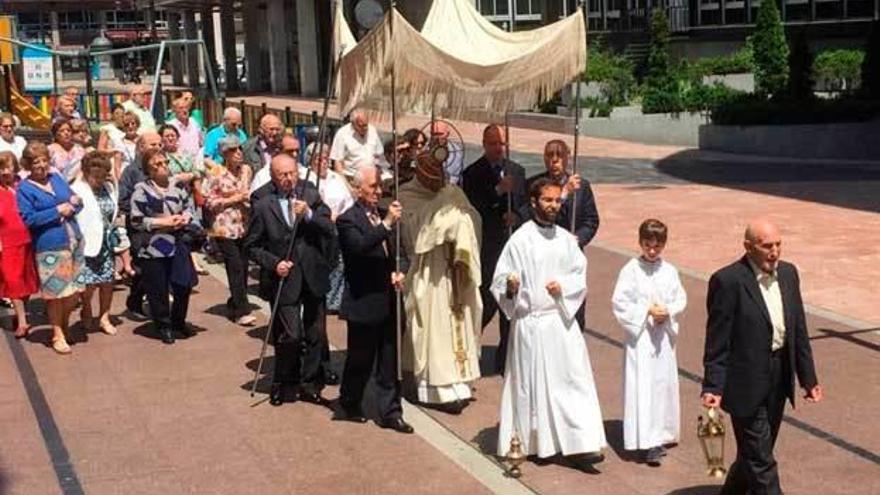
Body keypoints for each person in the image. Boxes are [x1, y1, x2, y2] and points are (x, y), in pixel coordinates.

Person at [490, 177, 606, 470]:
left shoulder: (567, 240)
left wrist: (563, 288)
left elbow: (579, 274)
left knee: (572, 382)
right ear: (534, 202)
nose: (554, 205)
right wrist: (512, 287)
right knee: (532, 386)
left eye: (557, 200)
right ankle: (537, 442)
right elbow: (500, 280)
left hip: (560, 321)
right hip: (531, 323)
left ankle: (580, 444)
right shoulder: (520, 239)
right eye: (547, 200)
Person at [702, 218, 822, 495]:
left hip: (779, 376)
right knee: (762, 461)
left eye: (778, 244)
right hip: (744, 382)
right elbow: (717, 341)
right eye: (766, 245)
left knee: (753, 454)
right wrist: (713, 385)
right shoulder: (728, 281)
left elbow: (798, 330)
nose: (774, 251)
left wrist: (808, 378)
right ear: (748, 246)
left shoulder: (789, 274)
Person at [244, 153, 335, 406]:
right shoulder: (263, 204)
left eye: (292, 173)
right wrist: (275, 264)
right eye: (282, 175)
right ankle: (283, 381)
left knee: (316, 332)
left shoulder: (311, 194)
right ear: (273, 177)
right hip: (284, 277)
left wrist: (309, 215)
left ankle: (310, 383)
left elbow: (329, 228)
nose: (288, 179)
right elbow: (251, 246)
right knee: (290, 334)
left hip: (312, 273)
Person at [398, 150, 482, 414]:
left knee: (459, 324)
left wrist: (460, 222)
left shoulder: (453, 193)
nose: (437, 182)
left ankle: (459, 383)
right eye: (431, 176)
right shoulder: (406, 195)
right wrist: (442, 217)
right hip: (429, 273)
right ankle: (435, 388)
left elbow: (474, 219)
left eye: (440, 176)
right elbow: (412, 233)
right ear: (420, 173)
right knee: (433, 329)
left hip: (456, 271)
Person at [332, 163, 412, 433]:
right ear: (357, 189)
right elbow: (359, 248)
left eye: (380, 186)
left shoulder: (384, 214)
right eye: (372, 186)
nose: (378, 191)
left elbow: (401, 251)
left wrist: (400, 271)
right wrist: (387, 223)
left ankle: (391, 411)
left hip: (389, 298)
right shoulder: (347, 220)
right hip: (364, 299)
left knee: (390, 358)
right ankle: (350, 399)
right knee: (361, 357)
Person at [612, 219, 687, 466]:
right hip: (641, 338)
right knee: (642, 385)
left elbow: (680, 298)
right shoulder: (630, 270)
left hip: (662, 337)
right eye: (647, 245)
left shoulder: (670, 271)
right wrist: (646, 310)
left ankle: (662, 432)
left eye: (657, 246)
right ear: (640, 242)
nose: (652, 251)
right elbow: (620, 302)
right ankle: (644, 440)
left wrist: (668, 310)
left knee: (661, 384)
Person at [462, 124, 527, 374]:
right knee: (486, 302)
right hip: (488, 247)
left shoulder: (517, 171)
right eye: (493, 143)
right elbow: (472, 207)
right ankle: (468, 348)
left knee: (510, 304)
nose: (498, 148)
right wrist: (498, 191)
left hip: (511, 246)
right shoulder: (473, 173)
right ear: (484, 144)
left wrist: (517, 216)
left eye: (501, 144)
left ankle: (506, 360)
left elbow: (526, 204)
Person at [17, 142, 85, 355]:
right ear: (28, 165)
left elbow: (76, 201)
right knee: (56, 292)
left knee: (75, 291)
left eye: (44, 161)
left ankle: (64, 324)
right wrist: (56, 211)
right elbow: (28, 219)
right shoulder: (25, 189)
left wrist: (74, 204)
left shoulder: (56, 179)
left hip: (73, 239)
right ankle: (57, 333)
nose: (41, 166)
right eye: (36, 162)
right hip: (50, 245)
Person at [524, 139, 600, 330]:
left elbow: (591, 220)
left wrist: (579, 238)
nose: (554, 161)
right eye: (550, 155)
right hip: (544, 256)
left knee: (575, 312)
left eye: (560, 156)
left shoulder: (582, 187)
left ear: (568, 158)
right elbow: (536, 216)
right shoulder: (535, 184)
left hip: (571, 256)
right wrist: (564, 194)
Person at [129, 149, 199, 344]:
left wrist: (185, 217)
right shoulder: (141, 190)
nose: (163, 167)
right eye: (157, 165)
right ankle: (163, 324)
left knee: (183, 284)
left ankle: (179, 321)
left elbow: (189, 207)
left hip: (178, 241)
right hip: (154, 246)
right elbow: (136, 221)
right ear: (149, 170)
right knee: (158, 288)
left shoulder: (177, 186)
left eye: (165, 163)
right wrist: (164, 222)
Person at [202, 136, 256, 326]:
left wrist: (246, 198)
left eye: (240, 149)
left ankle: (234, 301)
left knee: (243, 266)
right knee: (234, 266)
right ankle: (242, 309)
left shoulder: (246, 170)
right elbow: (208, 201)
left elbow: (250, 191)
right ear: (225, 154)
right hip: (224, 226)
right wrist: (233, 199)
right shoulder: (216, 172)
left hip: (244, 224)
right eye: (234, 150)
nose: (239, 153)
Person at [71, 152, 120, 336]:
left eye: (102, 175)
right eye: (95, 176)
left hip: (107, 242)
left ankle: (104, 316)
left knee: (107, 282)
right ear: (85, 172)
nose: (99, 180)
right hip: (88, 243)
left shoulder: (109, 187)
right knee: (90, 283)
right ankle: (87, 309)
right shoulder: (77, 189)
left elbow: (113, 210)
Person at [302, 142, 354, 315]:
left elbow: (348, 201)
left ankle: (335, 301)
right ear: (310, 160)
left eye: (326, 159)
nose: (324, 163)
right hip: (317, 226)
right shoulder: (306, 178)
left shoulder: (336, 178)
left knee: (340, 263)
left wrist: (341, 216)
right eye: (319, 159)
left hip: (339, 225)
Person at [119, 132, 163, 318]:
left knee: (159, 265)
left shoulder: (163, 167)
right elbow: (123, 200)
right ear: (141, 147)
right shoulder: (131, 171)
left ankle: (155, 304)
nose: (158, 147)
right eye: (153, 144)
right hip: (140, 227)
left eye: (159, 144)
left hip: (162, 226)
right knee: (143, 266)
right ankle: (135, 301)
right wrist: (144, 209)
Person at [0, 152, 39, 338]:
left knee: (26, 279)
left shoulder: (22, 185)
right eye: (2, 167)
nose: (6, 171)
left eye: (9, 166)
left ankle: (20, 313)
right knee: (12, 279)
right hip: (7, 243)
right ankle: (23, 321)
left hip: (28, 239)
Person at [329, 109, 383, 178]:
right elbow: (337, 162)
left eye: (366, 125)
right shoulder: (342, 134)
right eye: (361, 126)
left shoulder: (372, 130)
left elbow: (379, 154)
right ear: (353, 124)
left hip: (371, 175)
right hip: (352, 176)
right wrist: (342, 181)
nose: (365, 128)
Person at [166, 97, 203, 165]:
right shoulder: (170, 126)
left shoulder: (194, 123)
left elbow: (201, 143)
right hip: (180, 163)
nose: (184, 110)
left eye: (186, 107)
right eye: (181, 108)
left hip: (197, 163)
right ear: (174, 110)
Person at [429, 121, 464, 186]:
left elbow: (455, 176)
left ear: (447, 134)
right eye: (434, 134)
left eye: (440, 134)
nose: (437, 137)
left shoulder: (456, 151)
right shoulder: (425, 149)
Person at [110, 112, 141, 179]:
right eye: (127, 125)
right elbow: (117, 166)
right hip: (126, 176)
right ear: (123, 127)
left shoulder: (143, 140)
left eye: (133, 123)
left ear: (137, 125)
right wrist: (121, 182)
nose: (130, 126)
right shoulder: (119, 142)